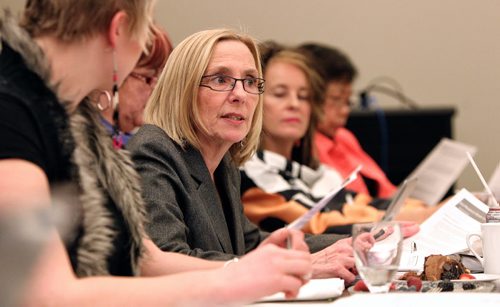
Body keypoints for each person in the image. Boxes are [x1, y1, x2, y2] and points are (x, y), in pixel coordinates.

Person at [0, 1, 313, 305]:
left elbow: (145, 258)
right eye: (144, 33)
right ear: (118, 30)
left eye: (249, 82)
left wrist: (250, 267)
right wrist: (232, 280)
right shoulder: (13, 112)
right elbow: (40, 295)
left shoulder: (67, 119)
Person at [128, 28, 367, 282]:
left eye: (251, 82)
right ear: (182, 89)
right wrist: (304, 265)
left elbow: (249, 244)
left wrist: (349, 245)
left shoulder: (224, 163)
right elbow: (165, 260)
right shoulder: (153, 151)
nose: (240, 95)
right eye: (221, 80)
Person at [240, 45, 428, 236]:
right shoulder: (247, 174)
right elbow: (318, 227)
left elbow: (362, 203)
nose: (295, 104)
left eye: (304, 96)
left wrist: (429, 210)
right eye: (280, 94)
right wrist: (422, 216)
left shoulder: (317, 172)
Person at [297, 43, 397, 198]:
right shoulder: (304, 148)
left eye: (348, 100)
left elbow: (388, 191)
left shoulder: (344, 136)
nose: (345, 110)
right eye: (336, 99)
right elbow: (349, 207)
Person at [98, 23, 173, 148]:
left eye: (159, 82)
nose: (156, 92)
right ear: (117, 75)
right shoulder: (77, 145)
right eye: (148, 79)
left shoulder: (147, 147)